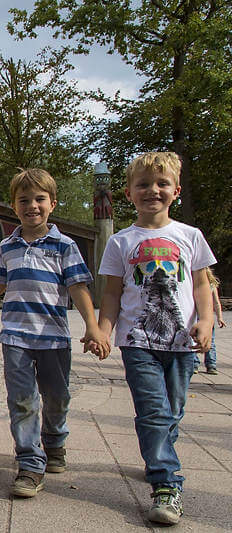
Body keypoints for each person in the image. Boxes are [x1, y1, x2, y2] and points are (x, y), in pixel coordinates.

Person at [0, 168, 108, 498]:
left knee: (57, 399)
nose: (32, 205)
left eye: (39, 199)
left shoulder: (65, 246)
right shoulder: (8, 246)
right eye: (24, 200)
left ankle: (55, 442)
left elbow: (78, 288)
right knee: (22, 400)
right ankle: (30, 464)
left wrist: (93, 327)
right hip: (15, 337)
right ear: (14, 206)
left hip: (54, 338)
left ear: (52, 203)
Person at [96, 152, 215, 525]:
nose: (153, 190)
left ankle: (158, 453)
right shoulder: (120, 241)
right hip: (138, 342)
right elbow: (112, 294)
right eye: (143, 184)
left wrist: (207, 322)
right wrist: (103, 329)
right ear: (129, 193)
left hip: (183, 344)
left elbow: (200, 286)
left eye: (161, 184)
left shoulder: (190, 236)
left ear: (175, 190)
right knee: (154, 412)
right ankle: (166, 484)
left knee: (173, 411)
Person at [193, 268, 224, 374]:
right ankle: (196, 364)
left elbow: (216, 303)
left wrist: (220, 317)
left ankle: (211, 364)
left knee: (210, 341)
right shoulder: (192, 284)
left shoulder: (211, 286)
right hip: (194, 317)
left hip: (207, 319)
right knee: (194, 341)